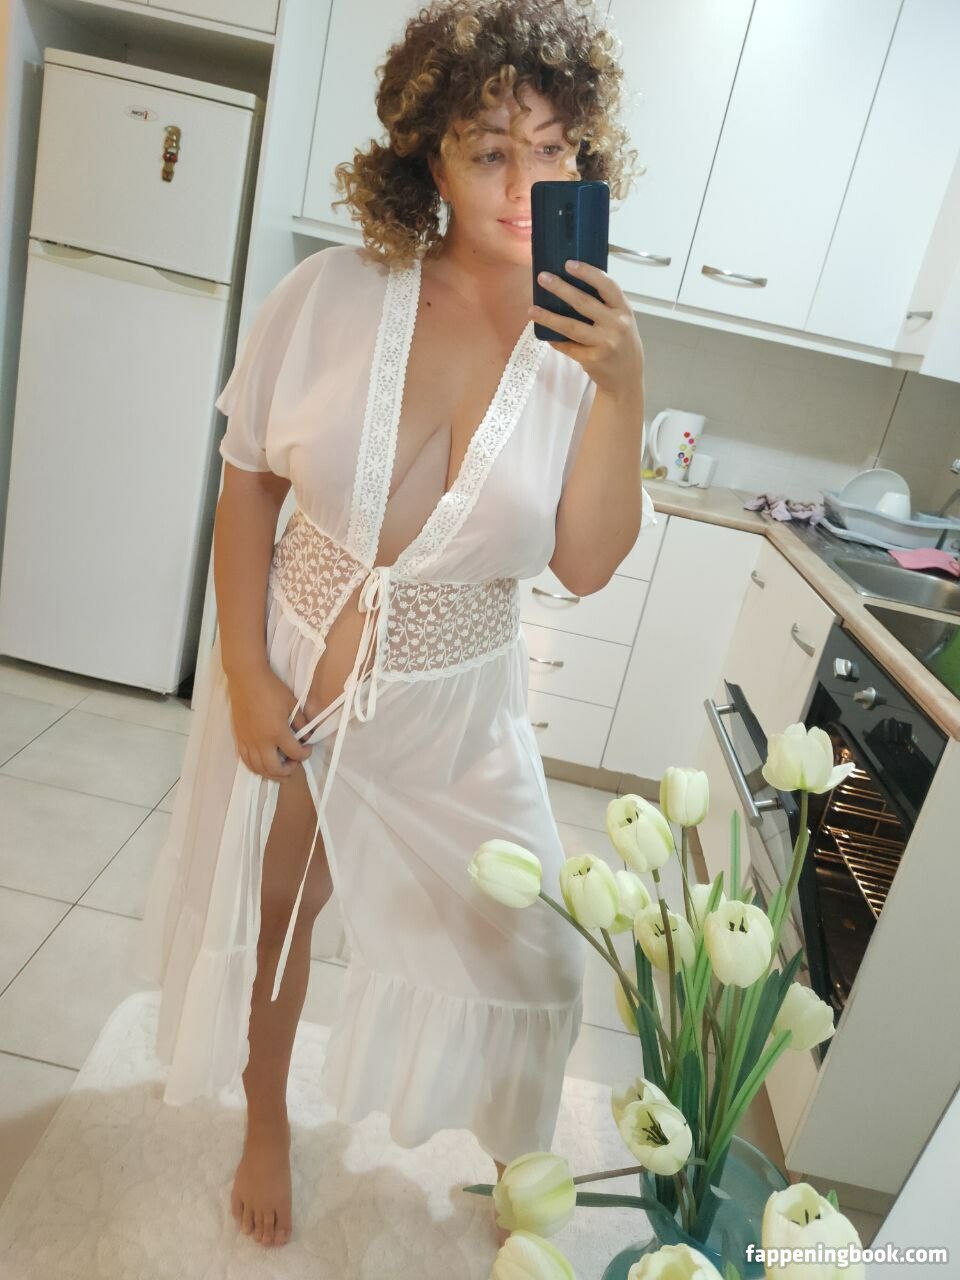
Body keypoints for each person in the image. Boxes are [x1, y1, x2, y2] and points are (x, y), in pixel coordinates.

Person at [135, 0, 653, 1253]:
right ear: (430, 155)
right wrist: (247, 666)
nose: (526, 185)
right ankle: (267, 1117)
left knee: (538, 954)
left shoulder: (587, 348)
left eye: (553, 149)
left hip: (457, 710)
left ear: (587, 157)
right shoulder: (332, 294)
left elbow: (587, 563)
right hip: (303, 672)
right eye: (491, 151)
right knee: (280, 913)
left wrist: (625, 386)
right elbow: (249, 481)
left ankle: (516, 1160)